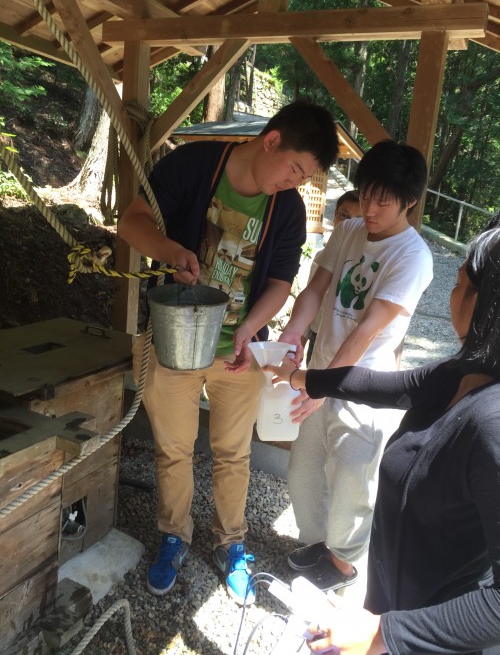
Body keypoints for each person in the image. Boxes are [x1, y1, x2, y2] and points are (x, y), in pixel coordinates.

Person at [117, 100, 339, 605]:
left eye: (304, 177)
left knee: (234, 453)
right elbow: (131, 222)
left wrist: (250, 330)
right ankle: (174, 536)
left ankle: (231, 543)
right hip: (171, 339)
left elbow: (280, 282)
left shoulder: (288, 209)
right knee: (173, 448)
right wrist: (171, 252)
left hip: (239, 350)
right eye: (294, 169)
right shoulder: (194, 165)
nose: (294, 182)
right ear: (272, 141)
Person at [265, 227, 500, 655]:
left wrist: (384, 634)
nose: (451, 295)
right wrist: (299, 377)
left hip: (429, 635)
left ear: (486, 304)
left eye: (458, 284)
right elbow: (381, 385)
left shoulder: (492, 424)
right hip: (389, 602)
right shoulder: (461, 372)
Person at [278, 140, 434, 593]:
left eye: (383, 200)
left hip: (363, 387)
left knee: (352, 478)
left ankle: (343, 565)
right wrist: (294, 332)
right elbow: (315, 290)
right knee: (304, 472)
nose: (369, 208)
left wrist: (321, 386)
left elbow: (367, 330)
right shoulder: (348, 231)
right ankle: (316, 544)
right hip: (320, 371)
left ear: (409, 201)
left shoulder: (413, 256)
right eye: (366, 194)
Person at [302, 190, 361, 365]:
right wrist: (300, 339)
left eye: (358, 220)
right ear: (335, 215)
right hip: (316, 335)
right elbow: (312, 296)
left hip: (345, 344)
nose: (349, 224)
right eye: (344, 216)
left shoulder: (363, 266)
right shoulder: (321, 257)